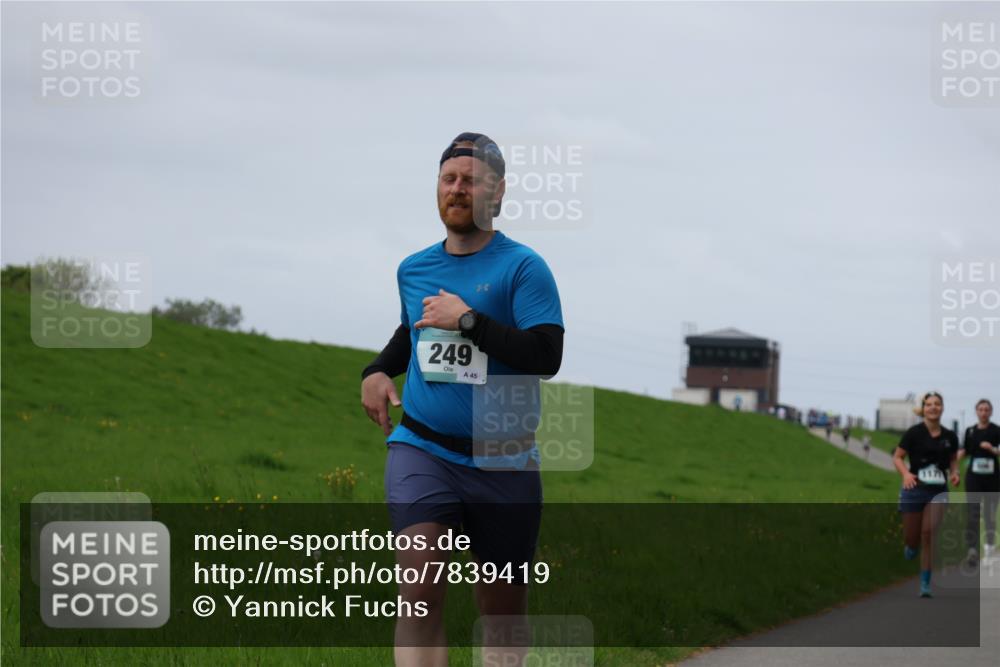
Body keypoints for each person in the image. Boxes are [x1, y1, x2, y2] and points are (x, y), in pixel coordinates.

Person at [360, 132, 564, 666]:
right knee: (420, 594)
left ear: (496, 195)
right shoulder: (414, 268)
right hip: (423, 450)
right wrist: (379, 371)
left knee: (501, 615)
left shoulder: (523, 268)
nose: (456, 189)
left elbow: (545, 354)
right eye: (448, 179)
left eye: (470, 180)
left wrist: (469, 320)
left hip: (505, 457)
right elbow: (413, 333)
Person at [893, 391, 960, 598]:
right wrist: (905, 474)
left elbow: (953, 460)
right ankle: (910, 547)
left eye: (937, 404)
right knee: (912, 539)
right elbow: (897, 457)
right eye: (929, 404)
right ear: (924, 409)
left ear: (942, 408)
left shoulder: (950, 436)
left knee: (928, 535)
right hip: (915, 489)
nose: (933, 407)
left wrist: (955, 473)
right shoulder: (913, 433)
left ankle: (925, 583)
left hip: (938, 491)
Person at [958, 399, 999, 566]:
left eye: (987, 410)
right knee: (973, 512)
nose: (983, 412)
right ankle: (972, 550)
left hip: (993, 478)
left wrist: (992, 449)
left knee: (990, 514)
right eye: (981, 409)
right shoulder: (970, 431)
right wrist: (952, 466)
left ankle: (989, 549)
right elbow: (964, 451)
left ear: (991, 412)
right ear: (976, 411)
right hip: (973, 477)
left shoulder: (996, 430)